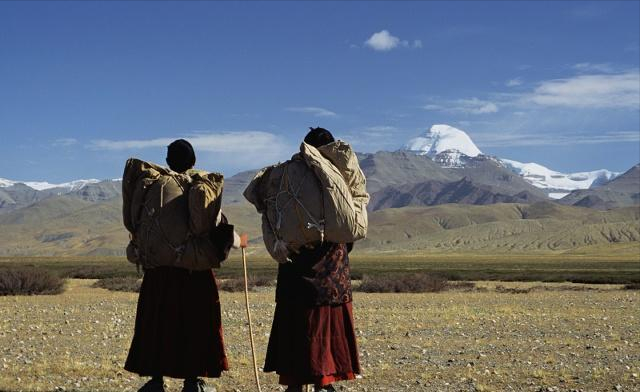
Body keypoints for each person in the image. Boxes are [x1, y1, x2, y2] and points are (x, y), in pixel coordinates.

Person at [124, 139, 241, 392]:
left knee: (157, 324)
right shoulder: (200, 187)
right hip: (193, 274)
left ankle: (156, 380)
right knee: (195, 324)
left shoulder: (152, 188)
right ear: (194, 162)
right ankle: (192, 381)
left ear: (167, 162)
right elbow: (209, 226)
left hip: (158, 273)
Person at [262, 128, 361, 392]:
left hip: (292, 270)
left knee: (296, 326)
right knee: (324, 329)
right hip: (331, 272)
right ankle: (324, 384)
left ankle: (294, 385)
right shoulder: (337, 178)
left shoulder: (285, 177)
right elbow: (348, 228)